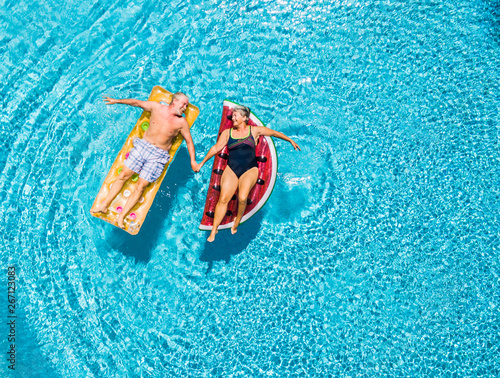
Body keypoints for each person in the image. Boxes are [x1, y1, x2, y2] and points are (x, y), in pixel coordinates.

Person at [91, 92, 199, 229]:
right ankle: (104, 205)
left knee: (141, 186)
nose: (185, 107)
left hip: (158, 156)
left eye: (186, 105)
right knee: (123, 175)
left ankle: (121, 216)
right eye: (183, 104)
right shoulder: (156, 107)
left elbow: (189, 142)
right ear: (175, 101)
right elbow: (137, 103)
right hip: (143, 146)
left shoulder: (181, 123)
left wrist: (193, 161)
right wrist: (117, 100)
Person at [196, 105, 300, 242]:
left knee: (243, 197)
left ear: (244, 118)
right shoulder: (228, 133)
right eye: (232, 115)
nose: (233, 118)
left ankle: (237, 219)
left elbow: (274, 133)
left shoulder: (254, 131)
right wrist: (202, 163)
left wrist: (290, 140)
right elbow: (216, 148)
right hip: (231, 168)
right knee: (223, 198)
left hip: (250, 169)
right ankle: (214, 229)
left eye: (235, 115)